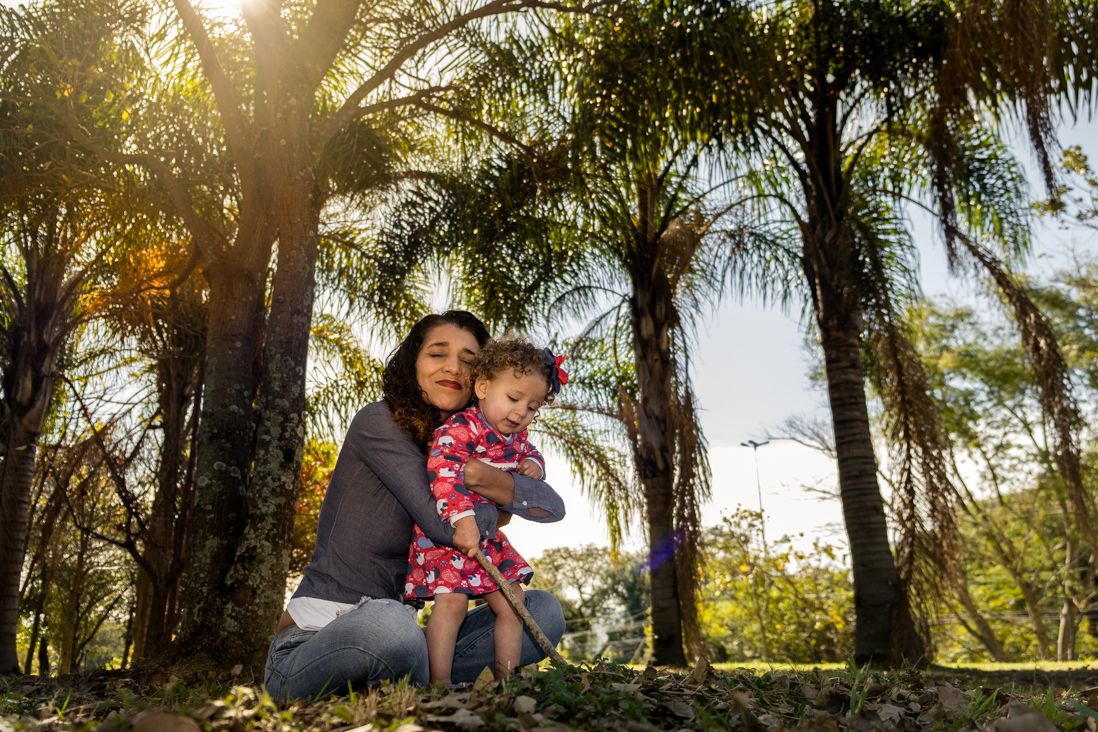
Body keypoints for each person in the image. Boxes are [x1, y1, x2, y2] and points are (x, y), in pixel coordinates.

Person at [263, 311, 566, 700]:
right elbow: (445, 526)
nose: (454, 367)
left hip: (406, 638)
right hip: (315, 642)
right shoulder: (379, 422)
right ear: (413, 363)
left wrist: (486, 478)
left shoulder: (478, 442)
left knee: (539, 610)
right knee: (389, 623)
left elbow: (552, 507)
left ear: (484, 378)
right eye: (438, 354)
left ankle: (423, 675)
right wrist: (501, 510)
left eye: (469, 360)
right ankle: (410, 671)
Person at [404, 338, 568, 685]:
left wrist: (532, 465)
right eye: (513, 398)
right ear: (482, 386)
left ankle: (505, 680)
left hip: (488, 538)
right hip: (450, 534)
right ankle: (439, 682)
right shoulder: (459, 429)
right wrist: (463, 521)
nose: (522, 412)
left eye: (533, 407)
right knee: (452, 604)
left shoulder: (517, 439)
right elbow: (444, 476)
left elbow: (534, 455)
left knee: (513, 602)